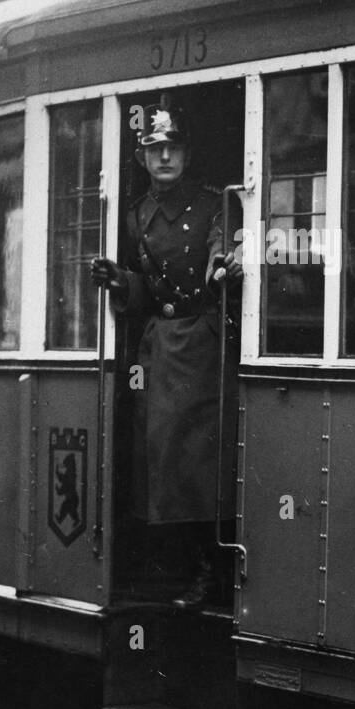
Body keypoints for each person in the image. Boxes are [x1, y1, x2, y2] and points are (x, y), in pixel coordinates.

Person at [90, 96, 241, 609]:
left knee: (198, 463)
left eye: (174, 147)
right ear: (141, 158)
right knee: (158, 462)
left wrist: (222, 269)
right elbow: (148, 290)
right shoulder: (135, 217)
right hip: (161, 346)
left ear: (188, 154)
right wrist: (121, 281)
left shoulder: (214, 203)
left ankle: (209, 571)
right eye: (155, 149)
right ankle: (183, 567)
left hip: (202, 344)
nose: (165, 157)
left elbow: (223, 250)